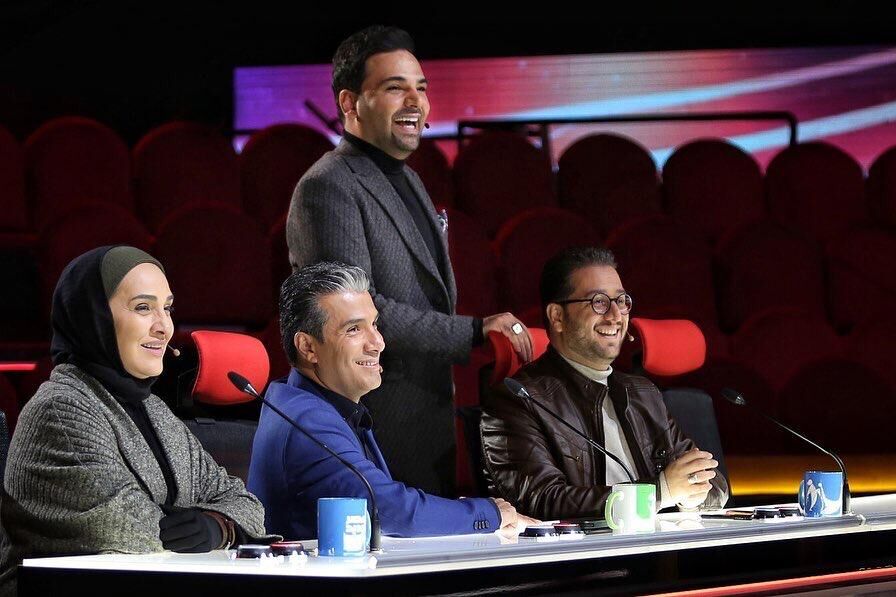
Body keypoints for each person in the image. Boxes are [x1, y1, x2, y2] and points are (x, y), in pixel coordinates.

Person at [286, 25, 532, 495]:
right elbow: (356, 312)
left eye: (421, 88)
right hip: (372, 424)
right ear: (349, 103)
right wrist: (473, 331)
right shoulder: (327, 186)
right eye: (395, 88)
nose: (415, 102)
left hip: (426, 421)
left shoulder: (411, 180)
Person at [0, 246, 275, 596]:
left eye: (167, 308)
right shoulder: (60, 409)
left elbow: (246, 504)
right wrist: (204, 520)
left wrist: (217, 526)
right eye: (143, 308)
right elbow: (128, 529)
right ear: (94, 317)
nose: (164, 327)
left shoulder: (153, 409)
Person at [247, 261, 536, 539]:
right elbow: (393, 509)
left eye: (374, 324)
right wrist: (490, 513)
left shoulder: (313, 402)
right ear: (308, 347)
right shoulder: (307, 420)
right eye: (354, 329)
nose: (378, 343)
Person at [480, 246, 729, 520]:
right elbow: (542, 500)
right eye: (598, 302)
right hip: (586, 548)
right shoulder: (518, 399)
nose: (615, 315)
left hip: (659, 543)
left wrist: (691, 494)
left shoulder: (643, 394)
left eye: (621, 301)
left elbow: (715, 484)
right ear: (557, 317)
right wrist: (660, 493)